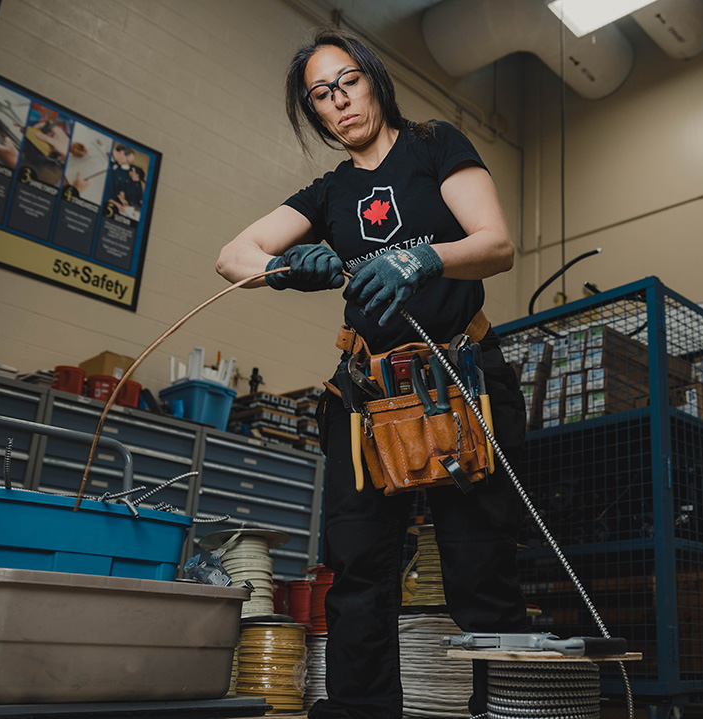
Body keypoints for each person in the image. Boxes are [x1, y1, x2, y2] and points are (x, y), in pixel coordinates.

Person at [215, 28, 529, 719]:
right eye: (320, 94)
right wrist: (285, 268)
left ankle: (505, 711)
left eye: (348, 81)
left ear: (375, 79)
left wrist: (424, 260)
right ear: (315, 112)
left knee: (480, 565)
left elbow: (497, 243)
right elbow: (232, 255)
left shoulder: (434, 145)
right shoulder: (329, 194)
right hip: (369, 398)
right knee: (358, 571)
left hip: (459, 379)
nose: (339, 100)